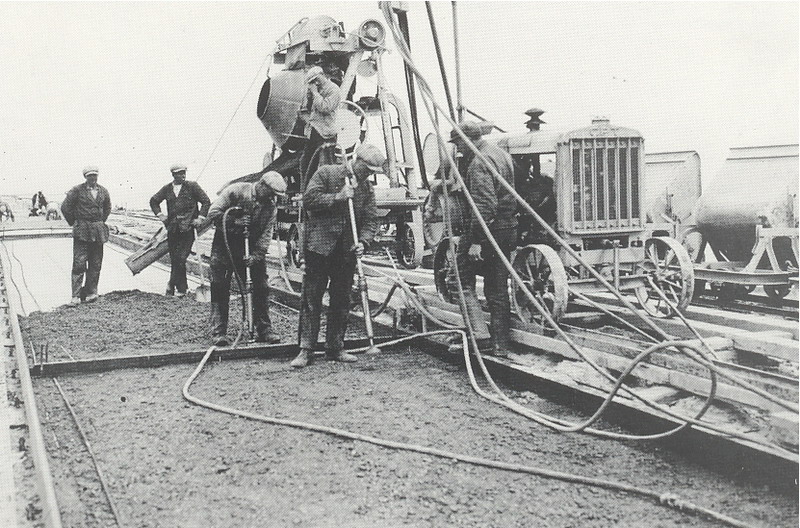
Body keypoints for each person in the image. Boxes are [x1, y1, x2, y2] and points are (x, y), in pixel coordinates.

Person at [289, 144, 383, 368]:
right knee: (312, 299)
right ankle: (306, 349)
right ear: (357, 162)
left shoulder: (366, 189)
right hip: (319, 248)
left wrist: (363, 241)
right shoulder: (327, 173)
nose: (368, 175)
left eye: (372, 172)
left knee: (341, 299)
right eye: (367, 169)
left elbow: (371, 220)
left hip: (346, 251)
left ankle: (335, 347)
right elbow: (309, 199)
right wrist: (338, 197)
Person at [446, 121, 517, 357]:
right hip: (507, 228)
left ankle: (479, 335)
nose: (457, 148)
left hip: (486, 230)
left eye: (458, 143)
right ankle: (500, 345)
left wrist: (476, 241)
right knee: (497, 289)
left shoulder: (478, 162)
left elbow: (485, 206)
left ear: (467, 139)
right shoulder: (501, 154)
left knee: (457, 279)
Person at [206, 171, 287, 346]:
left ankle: (264, 329)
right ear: (262, 185)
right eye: (271, 192)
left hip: (250, 247)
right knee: (220, 286)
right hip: (225, 244)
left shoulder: (270, 207)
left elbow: (266, 235)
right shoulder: (235, 191)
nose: (272, 197)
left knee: (261, 287)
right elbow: (212, 212)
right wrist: (234, 221)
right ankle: (218, 332)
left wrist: (256, 256)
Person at [149, 164, 211, 297]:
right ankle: (181, 289)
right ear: (173, 175)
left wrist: (200, 218)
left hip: (188, 229)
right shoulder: (167, 189)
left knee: (181, 257)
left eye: (184, 173)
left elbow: (206, 201)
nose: (183, 175)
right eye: (180, 173)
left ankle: (172, 285)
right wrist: (161, 216)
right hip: (172, 229)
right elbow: (154, 201)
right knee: (175, 258)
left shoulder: (192, 186)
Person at [61, 166, 112, 305]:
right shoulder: (77, 190)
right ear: (85, 177)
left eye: (95, 175)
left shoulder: (103, 191)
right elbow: (65, 207)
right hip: (82, 231)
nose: (93, 178)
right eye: (90, 176)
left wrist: (99, 222)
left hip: (98, 232)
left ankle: (91, 292)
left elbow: (107, 207)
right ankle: (76, 295)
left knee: (96, 263)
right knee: (79, 263)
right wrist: (75, 222)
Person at [298, 65, 341, 184]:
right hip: (314, 131)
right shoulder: (318, 90)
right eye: (312, 82)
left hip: (326, 134)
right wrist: (309, 97)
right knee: (305, 164)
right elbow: (309, 109)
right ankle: (305, 190)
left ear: (322, 75)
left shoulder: (334, 90)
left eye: (316, 79)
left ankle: (329, 189)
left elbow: (325, 108)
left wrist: (315, 93)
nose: (315, 83)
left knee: (327, 166)